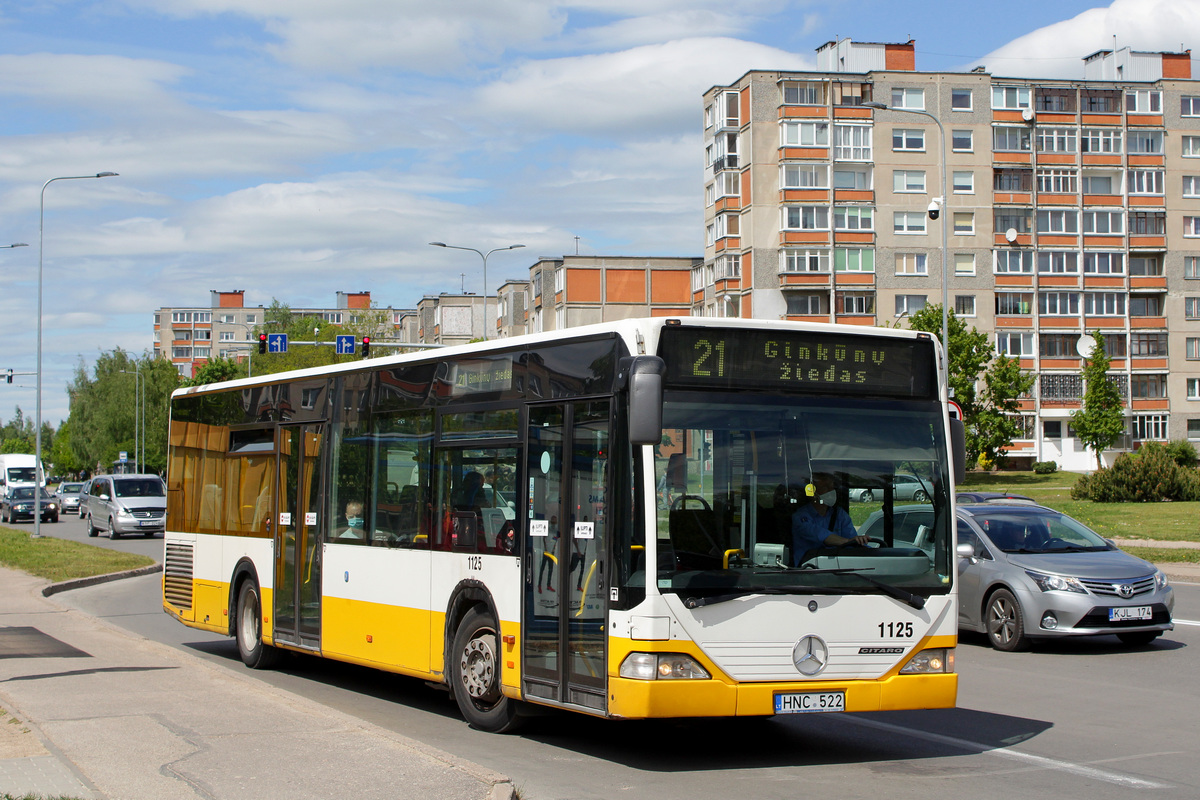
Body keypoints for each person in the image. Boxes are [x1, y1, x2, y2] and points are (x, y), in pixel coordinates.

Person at [791, 473, 869, 565]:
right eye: (826, 488)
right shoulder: (800, 517)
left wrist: (860, 543)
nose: (831, 491)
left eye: (832, 487)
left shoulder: (839, 514)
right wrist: (848, 541)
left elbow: (852, 539)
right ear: (813, 493)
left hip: (837, 568)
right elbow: (820, 535)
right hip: (807, 570)